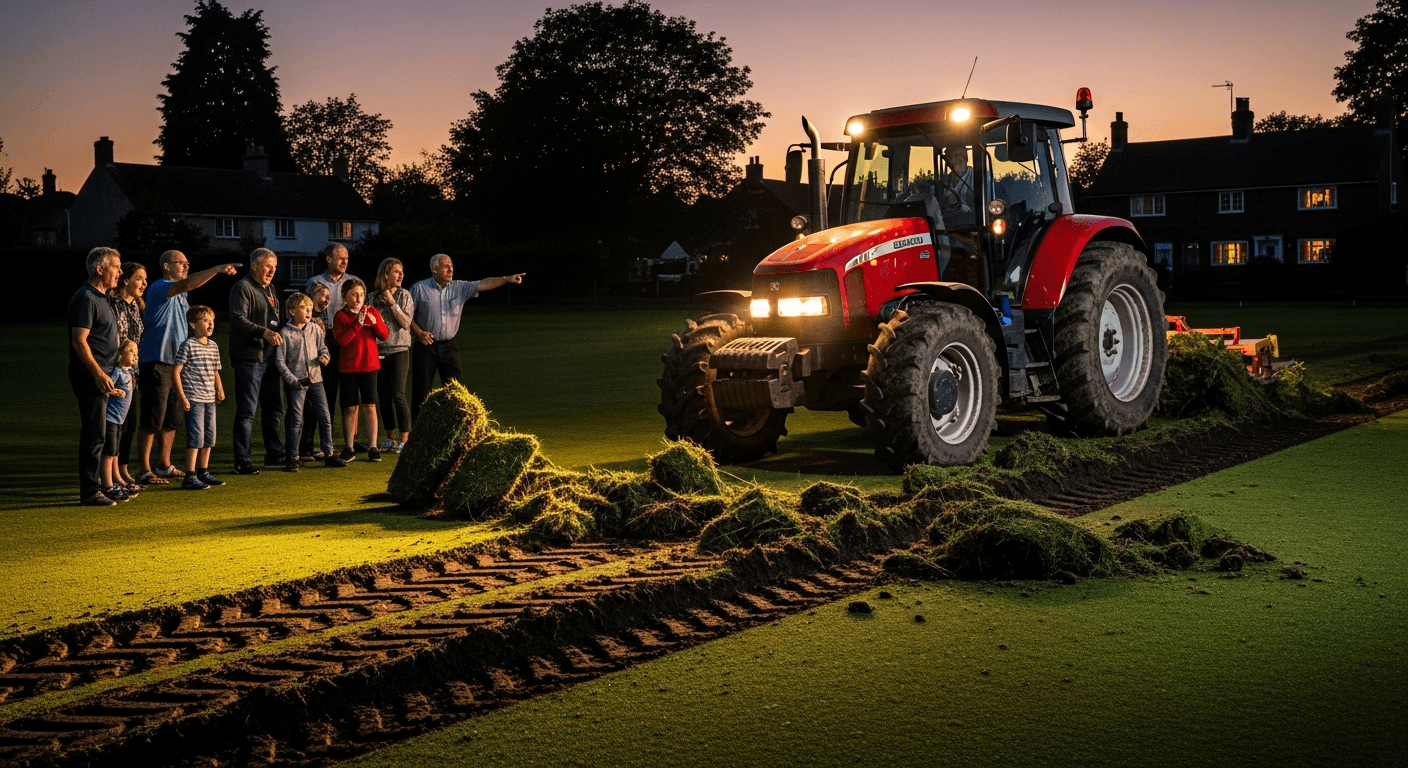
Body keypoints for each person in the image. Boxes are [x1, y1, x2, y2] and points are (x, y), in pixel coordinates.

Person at [136, 251, 239, 485]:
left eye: (187, 263)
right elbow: (188, 283)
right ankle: (144, 470)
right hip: (157, 360)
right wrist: (216, 269)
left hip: (178, 364)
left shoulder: (181, 297)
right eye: (181, 263)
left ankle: (164, 465)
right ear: (166, 266)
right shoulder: (160, 287)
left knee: (172, 418)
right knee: (153, 417)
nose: (186, 266)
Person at [408, 254, 524, 422]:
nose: (450, 269)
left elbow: (482, 284)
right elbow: (407, 315)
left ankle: (455, 428)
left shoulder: (459, 287)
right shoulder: (419, 289)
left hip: (449, 346)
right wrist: (418, 332)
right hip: (426, 345)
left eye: (452, 266)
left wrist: (507, 279)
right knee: (421, 391)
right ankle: (418, 433)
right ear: (435, 269)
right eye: (446, 266)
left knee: (456, 390)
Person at [69, 247, 123, 506]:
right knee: (94, 433)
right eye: (116, 267)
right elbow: (79, 341)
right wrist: (99, 374)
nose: (120, 272)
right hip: (90, 375)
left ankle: (100, 486)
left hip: (104, 374)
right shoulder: (86, 298)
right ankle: (90, 491)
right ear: (99, 269)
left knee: (101, 432)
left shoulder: (103, 297)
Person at [228, 248, 284, 474]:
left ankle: (274, 454)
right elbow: (237, 319)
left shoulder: (269, 289)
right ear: (254, 265)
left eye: (274, 266)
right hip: (249, 357)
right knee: (247, 411)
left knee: (274, 408)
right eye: (268, 265)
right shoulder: (243, 288)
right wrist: (264, 332)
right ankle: (242, 460)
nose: (272, 270)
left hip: (270, 357)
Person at [275, 292, 344, 471]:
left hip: (316, 379)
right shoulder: (285, 333)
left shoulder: (314, 329)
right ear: (292, 310)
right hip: (297, 382)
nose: (308, 311)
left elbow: (323, 348)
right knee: (296, 420)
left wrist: (325, 357)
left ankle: (329, 453)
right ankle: (293, 456)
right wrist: (292, 380)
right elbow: (280, 361)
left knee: (324, 416)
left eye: (310, 309)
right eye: (304, 308)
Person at [306, 243, 360, 440]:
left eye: (347, 257)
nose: (344, 261)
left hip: (349, 343)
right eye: (340, 257)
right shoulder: (316, 282)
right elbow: (309, 311)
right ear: (328, 259)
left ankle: (351, 441)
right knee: (325, 394)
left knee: (350, 395)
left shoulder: (354, 282)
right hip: (325, 341)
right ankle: (323, 441)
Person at [333, 278, 388, 463]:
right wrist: (358, 322)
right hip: (349, 368)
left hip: (369, 365)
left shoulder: (371, 311)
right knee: (349, 407)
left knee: (370, 405)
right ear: (344, 296)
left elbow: (384, 334)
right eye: (354, 294)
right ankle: (349, 446)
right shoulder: (340, 316)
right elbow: (343, 340)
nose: (358, 298)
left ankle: (373, 446)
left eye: (362, 294)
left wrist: (373, 323)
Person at [173, 305, 225, 490]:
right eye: (205, 321)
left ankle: (204, 471)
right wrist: (183, 396)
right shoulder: (188, 345)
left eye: (212, 321)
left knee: (209, 436)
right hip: (194, 397)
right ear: (193, 324)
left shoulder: (213, 346)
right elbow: (177, 371)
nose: (210, 324)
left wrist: (219, 388)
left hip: (209, 398)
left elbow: (215, 370)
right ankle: (190, 475)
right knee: (196, 436)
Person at [108, 262, 147, 493]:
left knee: (130, 423)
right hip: (117, 372)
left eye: (145, 279)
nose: (143, 283)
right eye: (139, 278)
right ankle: (113, 474)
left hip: (133, 372)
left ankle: (122, 470)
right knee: (117, 425)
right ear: (125, 279)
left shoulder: (136, 306)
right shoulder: (113, 303)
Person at [370, 258, 414, 453]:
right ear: (386, 274)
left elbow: (405, 323)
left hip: (399, 350)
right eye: (396, 272)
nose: (401, 275)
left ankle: (405, 437)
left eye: (401, 272)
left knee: (398, 392)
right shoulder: (372, 298)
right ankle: (389, 437)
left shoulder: (405, 295)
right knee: (383, 395)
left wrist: (392, 303)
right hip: (378, 351)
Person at [297, 282, 334, 461]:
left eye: (328, 296)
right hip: (302, 372)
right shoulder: (304, 320)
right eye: (323, 294)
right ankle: (301, 449)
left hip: (318, 371)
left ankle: (309, 447)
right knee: (304, 411)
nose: (327, 299)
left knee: (315, 412)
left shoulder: (323, 318)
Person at [101, 340, 139, 502]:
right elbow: (105, 388)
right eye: (130, 351)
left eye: (136, 353)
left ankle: (116, 481)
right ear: (119, 355)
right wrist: (116, 392)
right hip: (111, 418)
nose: (134, 356)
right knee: (109, 452)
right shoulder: (116, 372)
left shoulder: (128, 372)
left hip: (119, 420)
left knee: (115, 451)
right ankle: (106, 484)